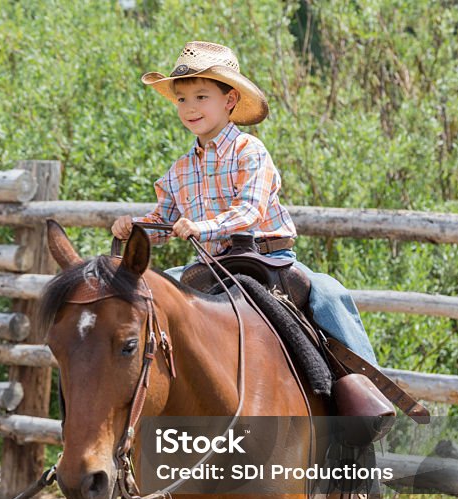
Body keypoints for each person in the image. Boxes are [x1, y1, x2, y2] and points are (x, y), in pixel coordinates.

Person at [112, 41, 378, 366]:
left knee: (329, 294)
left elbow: (249, 212)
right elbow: (162, 223)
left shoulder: (248, 151)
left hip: (268, 260)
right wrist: (135, 228)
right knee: (150, 293)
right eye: (181, 99)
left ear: (230, 100)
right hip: (210, 266)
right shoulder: (180, 169)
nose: (189, 107)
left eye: (201, 97)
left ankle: (369, 387)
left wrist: (201, 226)